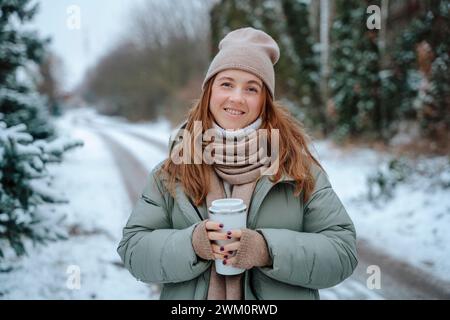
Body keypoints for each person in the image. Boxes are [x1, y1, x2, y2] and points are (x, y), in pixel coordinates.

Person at [117, 27, 358, 300]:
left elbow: (343, 252)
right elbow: (133, 250)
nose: (237, 98)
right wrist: (193, 244)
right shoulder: (172, 171)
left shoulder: (297, 170)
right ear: (209, 91)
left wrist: (266, 249)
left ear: (264, 101)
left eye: (251, 88)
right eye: (227, 83)